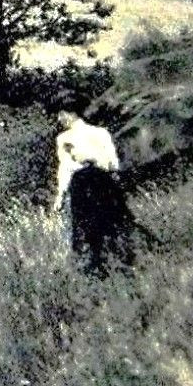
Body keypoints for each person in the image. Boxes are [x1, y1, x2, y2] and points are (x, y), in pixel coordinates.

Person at [50, 111, 135, 276]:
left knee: (79, 229)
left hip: (82, 186)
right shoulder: (101, 133)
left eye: (60, 115)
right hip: (105, 183)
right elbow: (114, 164)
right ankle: (121, 264)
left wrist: (60, 197)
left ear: (69, 114)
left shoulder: (63, 139)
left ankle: (87, 268)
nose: (59, 120)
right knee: (113, 225)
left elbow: (65, 169)